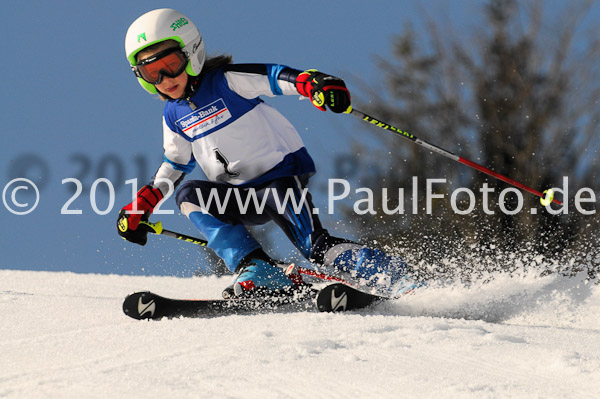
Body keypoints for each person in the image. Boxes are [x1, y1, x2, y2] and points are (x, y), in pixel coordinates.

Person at [117, 8, 412, 298]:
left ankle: (394, 275)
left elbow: (273, 77)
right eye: (151, 72)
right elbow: (176, 163)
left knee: (316, 248)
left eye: (170, 63)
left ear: (191, 51)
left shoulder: (226, 81)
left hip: (277, 180)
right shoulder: (173, 115)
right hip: (238, 196)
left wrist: (313, 85)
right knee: (189, 195)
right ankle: (257, 268)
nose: (166, 78)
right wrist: (144, 202)